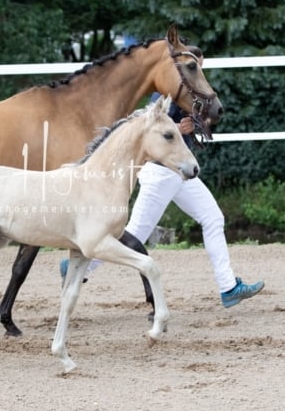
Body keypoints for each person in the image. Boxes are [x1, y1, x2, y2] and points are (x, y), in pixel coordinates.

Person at [60, 92, 264, 310]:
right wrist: (179, 127)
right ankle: (78, 264)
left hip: (180, 171)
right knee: (136, 234)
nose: (199, 72)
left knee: (213, 218)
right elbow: (151, 122)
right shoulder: (168, 88)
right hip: (162, 172)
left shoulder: (193, 89)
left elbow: (211, 116)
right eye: (196, 66)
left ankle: (228, 287)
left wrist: (198, 123)